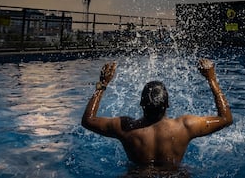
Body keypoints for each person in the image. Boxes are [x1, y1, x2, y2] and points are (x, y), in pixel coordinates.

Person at [81, 58, 233, 170]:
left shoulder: (126, 128)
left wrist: (102, 85)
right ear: (167, 105)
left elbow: (88, 120)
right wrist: (211, 79)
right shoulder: (185, 127)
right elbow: (225, 118)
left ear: (141, 104)